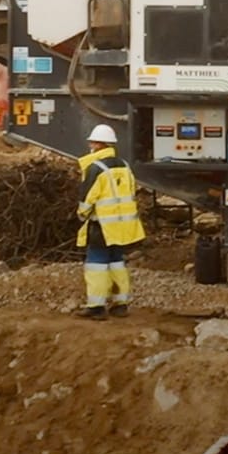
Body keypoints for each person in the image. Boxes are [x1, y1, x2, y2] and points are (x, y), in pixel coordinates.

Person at [75, 123, 144, 318]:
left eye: (92, 142)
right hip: (123, 227)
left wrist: (81, 215)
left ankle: (96, 307)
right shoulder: (125, 166)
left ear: (97, 144)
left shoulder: (95, 168)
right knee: (116, 263)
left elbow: (87, 198)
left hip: (101, 226)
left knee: (96, 264)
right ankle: (120, 304)